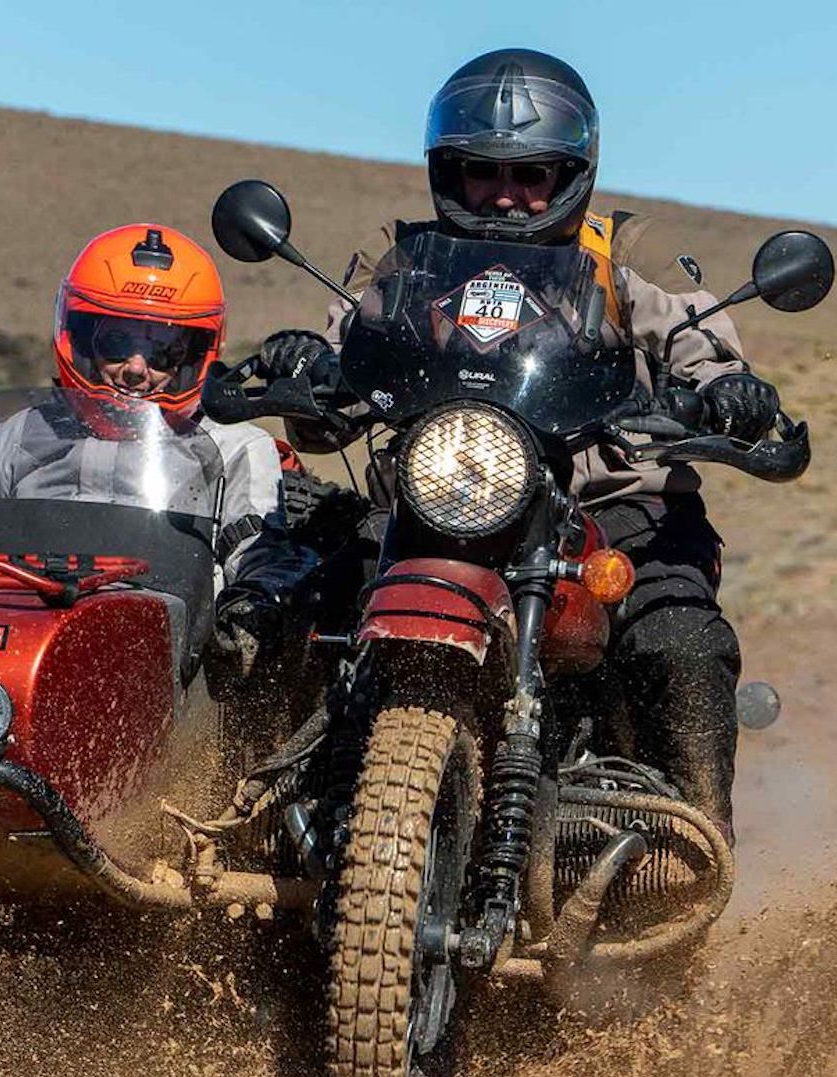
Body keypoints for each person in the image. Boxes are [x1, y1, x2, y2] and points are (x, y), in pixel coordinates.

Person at [244, 49, 787, 844]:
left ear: (571, 174)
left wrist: (729, 391)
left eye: (532, 175)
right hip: (438, 494)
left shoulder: (622, 260)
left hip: (608, 504)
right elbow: (348, 341)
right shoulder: (406, 262)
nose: (505, 194)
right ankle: (256, 812)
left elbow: (696, 335)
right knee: (293, 602)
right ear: (447, 173)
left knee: (679, 639)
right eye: (479, 173)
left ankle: (694, 842)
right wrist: (309, 362)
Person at [0, 222, 315, 684]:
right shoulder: (17, 438)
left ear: (194, 355)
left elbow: (261, 551)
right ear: (79, 338)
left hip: (169, 669)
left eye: (163, 350)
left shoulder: (237, 446)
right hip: (18, 663)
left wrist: (251, 611)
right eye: (118, 342)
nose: (137, 369)